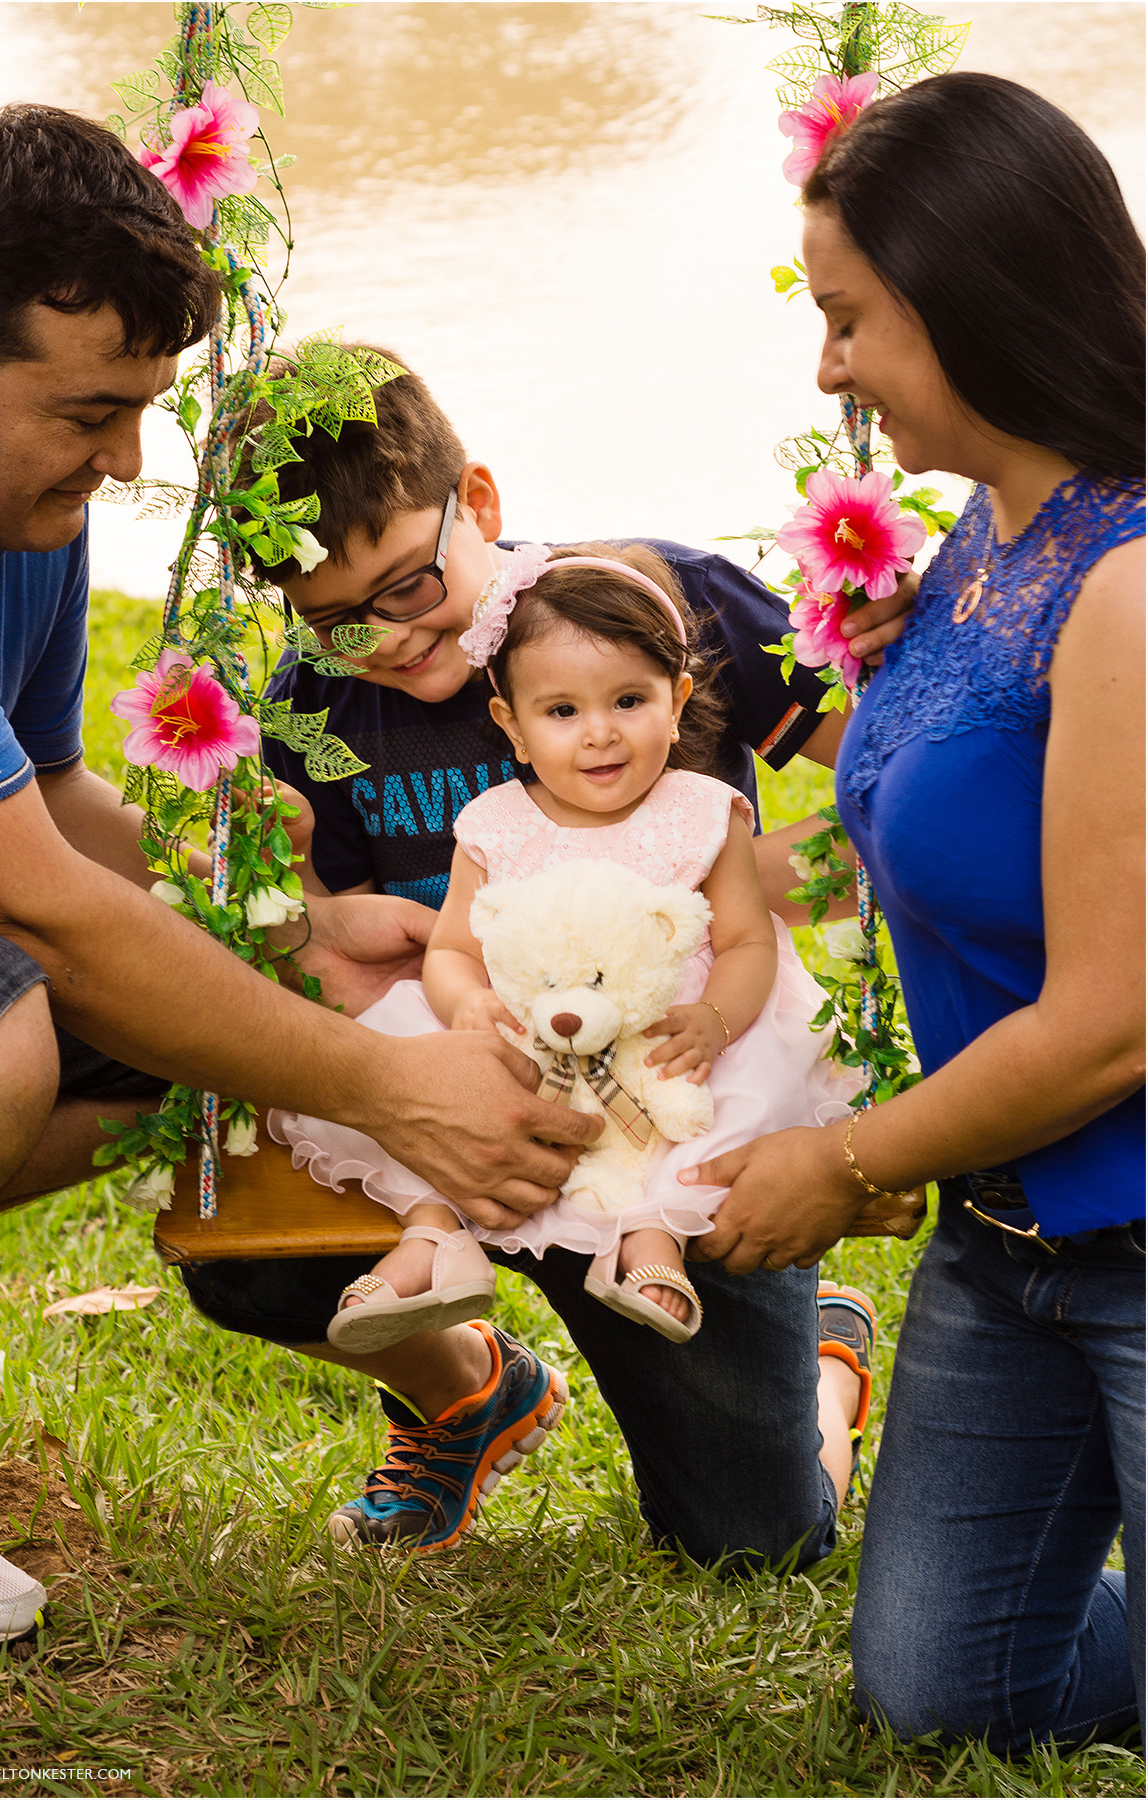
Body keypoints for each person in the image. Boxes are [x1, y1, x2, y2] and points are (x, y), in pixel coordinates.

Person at [0, 104, 601, 1644]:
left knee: (166, 1064)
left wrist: (289, 925)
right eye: (85, 411)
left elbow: (47, 797)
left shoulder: (28, 517)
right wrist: (400, 1092)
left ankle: (473, 1392)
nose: (121, 459)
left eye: (143, 412)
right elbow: (16, 892)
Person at [182, 354, 913, 1563]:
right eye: (334, 616)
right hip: (453, 1124)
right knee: (246, 1261)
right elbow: (330, 959)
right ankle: (470, 1385)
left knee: (756, 1539)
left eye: (409, 582)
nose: (385, 633)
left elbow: (908, 776)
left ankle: (821, 1359)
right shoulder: (315, 706)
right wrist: (296, 896)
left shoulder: (655, 607)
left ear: (476, 502)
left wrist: (738, 882)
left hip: (661, 1131)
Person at [678, 73, 1144, 1752]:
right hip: (1009, 1243)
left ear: (974, 297)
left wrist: (852, 1159)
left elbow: (1111, 1021)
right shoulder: (987, 533)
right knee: (943, 1694)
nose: (831, 368)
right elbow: (938, 838)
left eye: (851, 320)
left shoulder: (1130, 587)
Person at [272, 541, 858, 1351]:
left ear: (679, 699)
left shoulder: (701, 811)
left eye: (628, 701)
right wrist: (466, 1003)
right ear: (510, 724)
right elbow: (449, 952)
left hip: (662, 1031)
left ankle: (650, 1234)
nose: (599, 737)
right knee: (397, 1057)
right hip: (526, 1032)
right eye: (562, 712)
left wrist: (718, 1020)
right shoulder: (494, 825)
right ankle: (434, 1237)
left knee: (724, 1092)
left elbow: (750, 941)